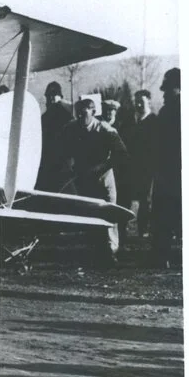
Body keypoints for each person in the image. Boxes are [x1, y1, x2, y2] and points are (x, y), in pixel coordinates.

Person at [60, 98, 129, 266]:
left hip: (103, 179)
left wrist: (100, 167)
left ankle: (111, 252)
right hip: (84, 180)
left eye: (85, 114)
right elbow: (63, 150)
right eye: (78, 115)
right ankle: (95, 252)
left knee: (108, 215)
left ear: (93, 112)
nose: (81, 118)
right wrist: (68, 164)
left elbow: (122, 153)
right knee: (90, 215)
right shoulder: (71, 128)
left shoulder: (105, 129)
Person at [151, 68, 181, 268]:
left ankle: (163, 256)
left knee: (164, 216)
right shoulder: (168, 110)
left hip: (170, 173)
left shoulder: (170, 111)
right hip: (170, 172)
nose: (164, 94)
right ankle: (164, 256)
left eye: (169, 89)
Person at [125, 89, 158, 238]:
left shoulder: (154, 121)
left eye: (142, 102)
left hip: (148, 168)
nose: (138, 105)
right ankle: (126, 230)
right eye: (136, 102)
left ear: (149, 102)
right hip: (132, 167)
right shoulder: (131, 122)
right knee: (129, 198)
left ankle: (144, 230)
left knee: (146, 200)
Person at [36, 81, 73, 192]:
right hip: (47, 161)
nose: (51, 98)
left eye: (54, 95)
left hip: (63, 163)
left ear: (60, 97)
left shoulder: (67, 116)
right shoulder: (43, 118)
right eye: (49, 96)